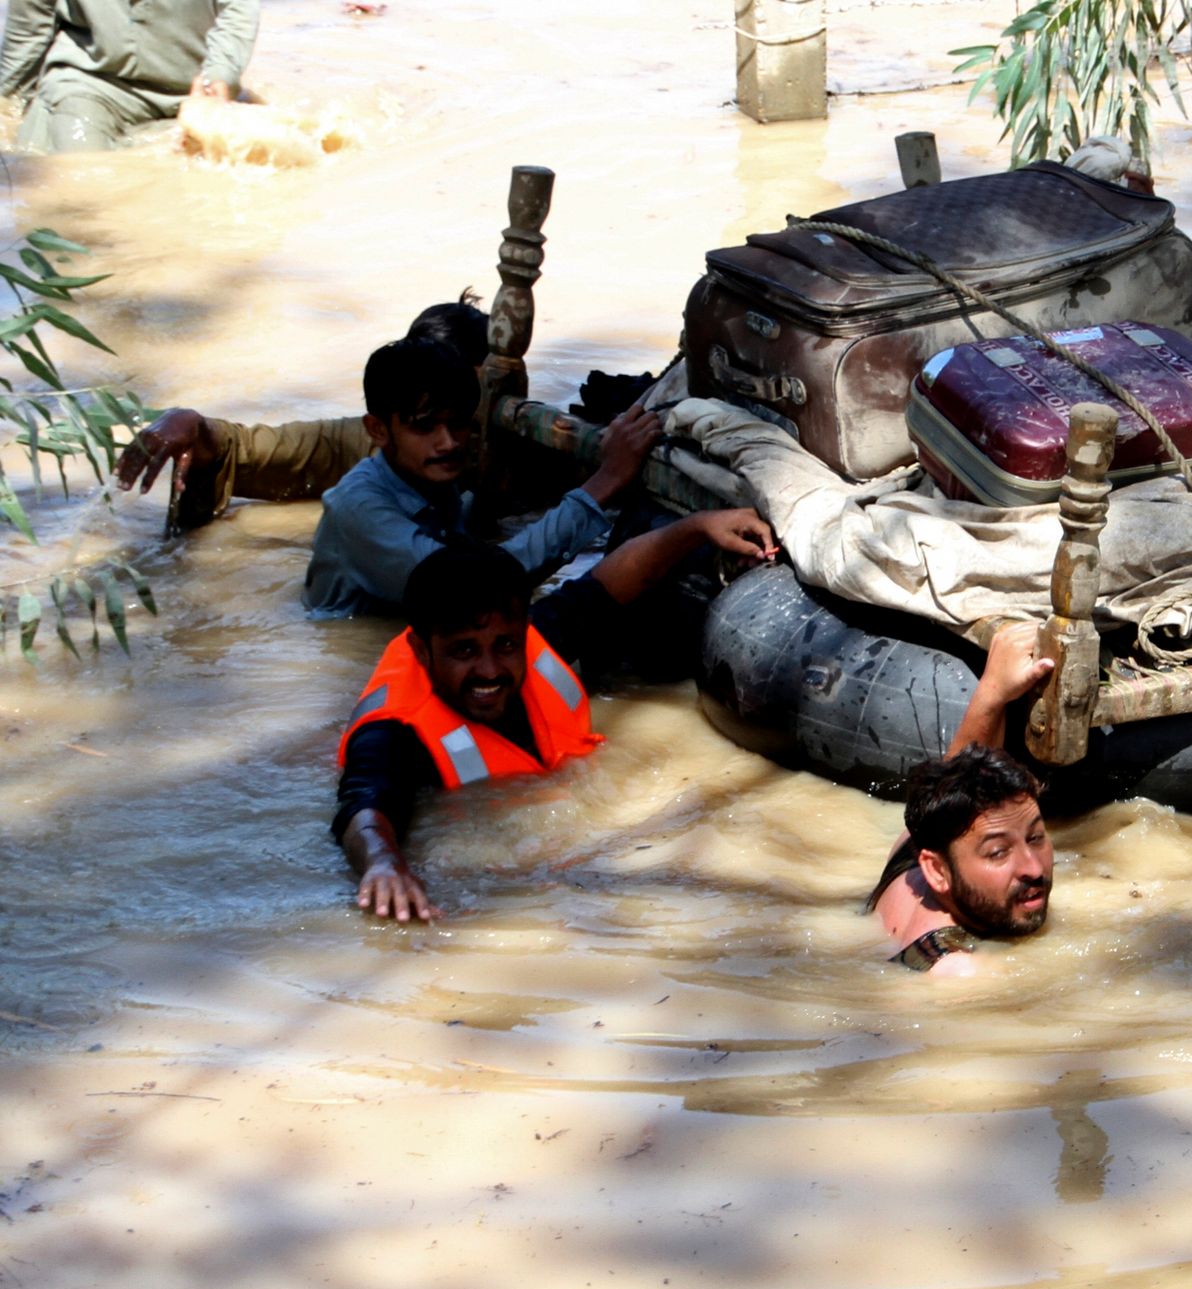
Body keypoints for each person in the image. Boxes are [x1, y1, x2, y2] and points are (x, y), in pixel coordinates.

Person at [339, 523, 774, 922]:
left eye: (505, 645)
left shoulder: (531, 636)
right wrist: (383, 864)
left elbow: (609, 583)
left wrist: (698, 527)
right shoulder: (393, 732)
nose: (490, 670)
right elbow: (364, 805)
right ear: (420, 650)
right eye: (464, 651)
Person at [302, 335, 663, 618]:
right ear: (377, 430)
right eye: (425, 427)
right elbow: (475, 589)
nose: (448, 443)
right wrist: (606, 479)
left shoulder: (430, 477)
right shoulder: (359, 507)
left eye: (459, 424)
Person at [115, 297, 495, 532]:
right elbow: (249, 450)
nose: (447, 438)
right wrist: (191, 424)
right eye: (427, 417)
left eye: (461, 407)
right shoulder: (370, 450)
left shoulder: (523, 448)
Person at [863, 622, 1058, 975]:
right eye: (998, 852)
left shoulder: (915, 849)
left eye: (1035, 837)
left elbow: (961, 777)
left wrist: (993, 691)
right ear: (937, 871)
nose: (1033, 867)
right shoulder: (958, 972)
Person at [0, 0, 258, 153]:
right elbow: (28, 36)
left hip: (191, 89)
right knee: (80, 175)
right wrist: (7, 109)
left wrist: (218, 77)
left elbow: (236, 9)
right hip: (92, 82)